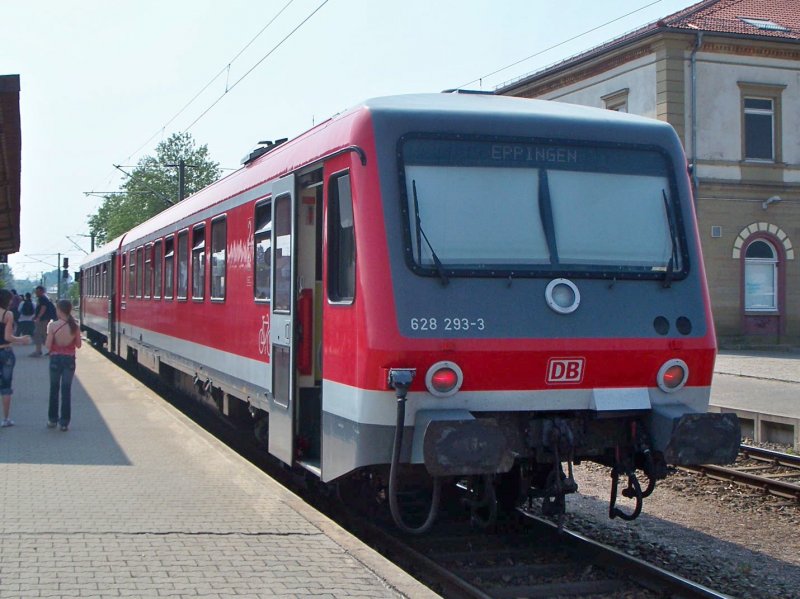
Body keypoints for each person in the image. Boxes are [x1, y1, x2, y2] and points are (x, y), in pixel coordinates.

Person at [45, 299, 82, 431]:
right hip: (69, 360)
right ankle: (64, 422)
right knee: (66, 391)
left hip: (55, 359)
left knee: (54, 389)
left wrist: (49, 332)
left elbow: (48, 345)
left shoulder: (52, 326)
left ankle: (52, 420)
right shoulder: (75, 326)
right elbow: (78, 345)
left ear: (59, 310)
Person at [0, 289, 33, 428]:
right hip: (5, 351)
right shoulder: (8, 314)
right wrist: (22, 339)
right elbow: (8, 337)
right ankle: (6, 419)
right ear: (8, 300)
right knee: (6, 387)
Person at [32, 285, 56, 357]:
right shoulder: (43, 298)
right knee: (43, 335)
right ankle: (51, 350)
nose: (36, 293)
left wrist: (38, 317)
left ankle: (39, 351)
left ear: (41, 291)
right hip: (44, 319)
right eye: (36, 291)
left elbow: (43, 308)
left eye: (37, 291)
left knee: (38, 334)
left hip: (43, 319)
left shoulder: (42, 298)